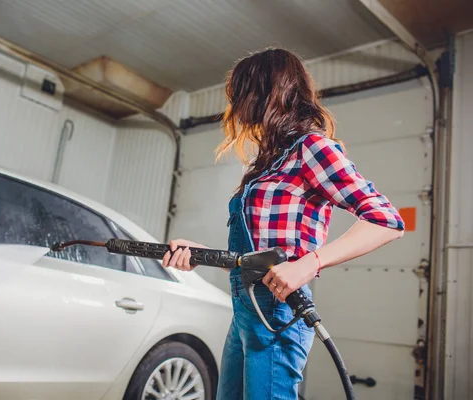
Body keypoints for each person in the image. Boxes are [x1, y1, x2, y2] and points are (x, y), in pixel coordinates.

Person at [161, 48, 405, 400]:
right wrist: (203, 254)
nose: (236, 107)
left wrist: (310, 263)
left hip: (276, 313)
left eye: (240, 94)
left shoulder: (313, 148)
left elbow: (387, 221)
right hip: (245, 311)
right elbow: (253, 253)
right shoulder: (269, 163)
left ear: (265, 92)